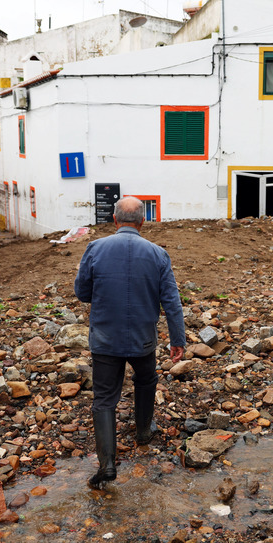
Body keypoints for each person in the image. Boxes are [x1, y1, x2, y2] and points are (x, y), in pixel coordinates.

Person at [74, 196, 186, 489]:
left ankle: (107, 465)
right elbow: (171, 302)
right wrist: (178, 339)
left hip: (105, 339)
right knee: (146, 379)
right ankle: (143, 432)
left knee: (104, 398)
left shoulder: (95, 247)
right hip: (142, 337)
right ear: (142, 222)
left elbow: (82, 292)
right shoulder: (158, 254)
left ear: (114, 220)